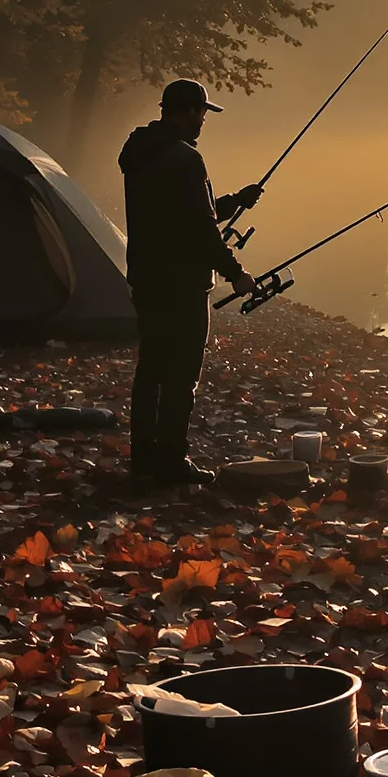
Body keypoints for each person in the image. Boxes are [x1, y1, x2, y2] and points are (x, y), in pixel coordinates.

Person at [117, 79, 260, 484]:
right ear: (189, 112)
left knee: (152, 371)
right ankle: (172, 462)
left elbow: (181, 211)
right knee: (181, 375)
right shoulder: (185, 158)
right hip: (181, 283)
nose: (203, 121)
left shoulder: (143, 152)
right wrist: (236, 274)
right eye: (202, 113)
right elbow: (200, 230)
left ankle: (145, 458)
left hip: (147, 277)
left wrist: (234, 201)